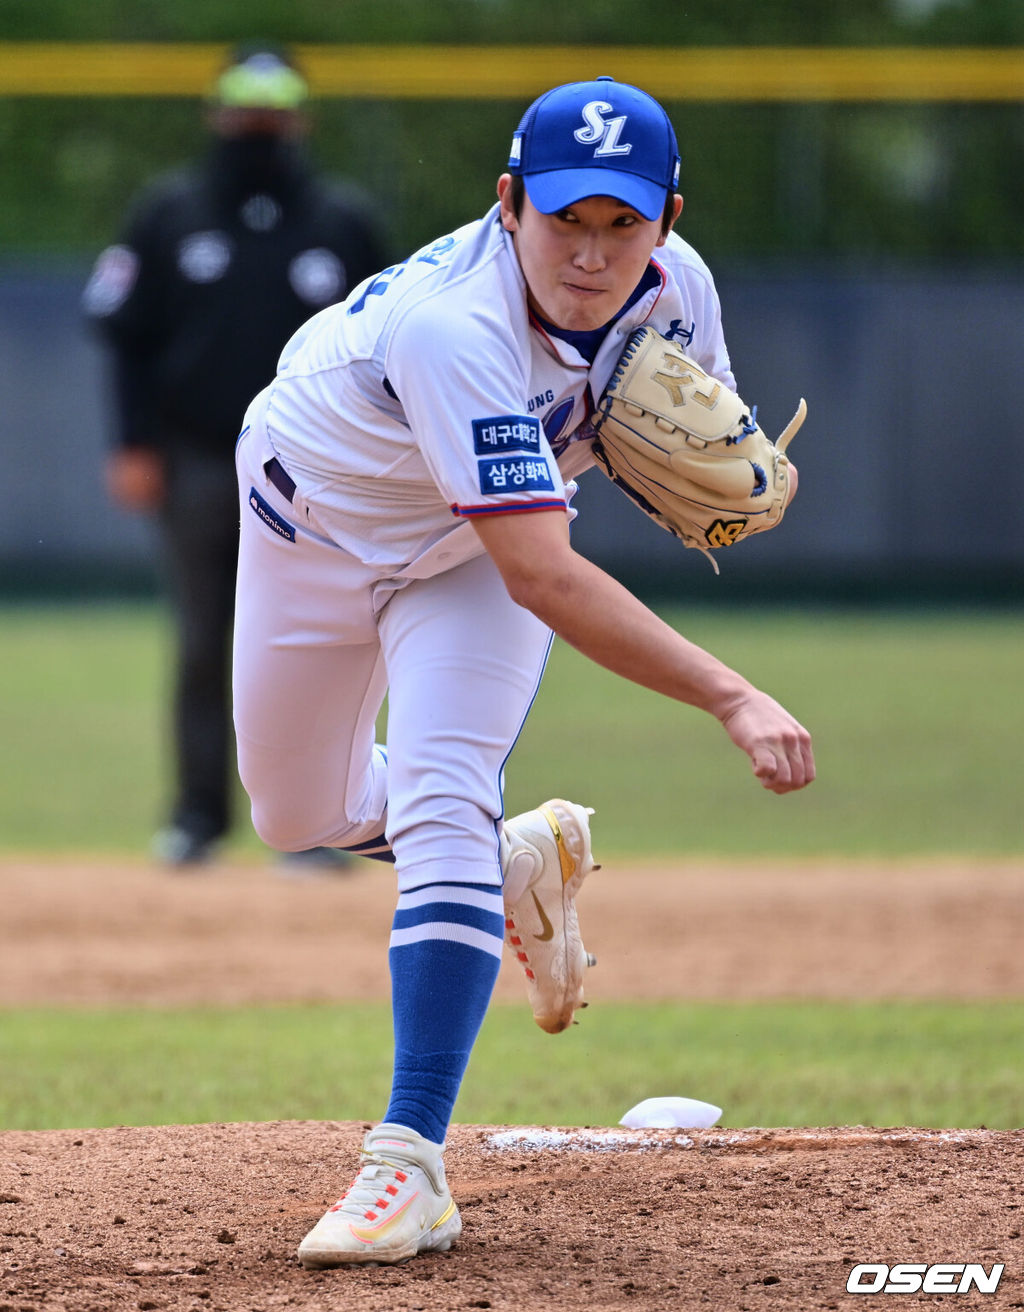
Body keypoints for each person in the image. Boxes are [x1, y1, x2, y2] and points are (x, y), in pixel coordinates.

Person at [231, 76, 815, 1267]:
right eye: (564, 219)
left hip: (467, 563)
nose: (593, 254)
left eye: (623, 223)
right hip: (314, 531)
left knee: (442, 790)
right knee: (296, 812)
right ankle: (506, 862)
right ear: (508, 204)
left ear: (666, 219)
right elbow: (549, 574)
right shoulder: (456, 327)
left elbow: (635, 466)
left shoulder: (678, 289)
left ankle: (407, 1167)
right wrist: (730, 690)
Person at [82, 42, 388, 867]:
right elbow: (125, 336)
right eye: (245, 112)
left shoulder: (342, 221)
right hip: (197, 460)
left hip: (318, 472)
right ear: (216, 114)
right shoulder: (169, 212)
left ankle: (315, 823)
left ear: (301, 120)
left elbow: (396, 352)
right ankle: (196, 817)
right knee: (201, 639)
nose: (257, 129)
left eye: (272, 113)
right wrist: (132, 442)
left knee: (317, 643)